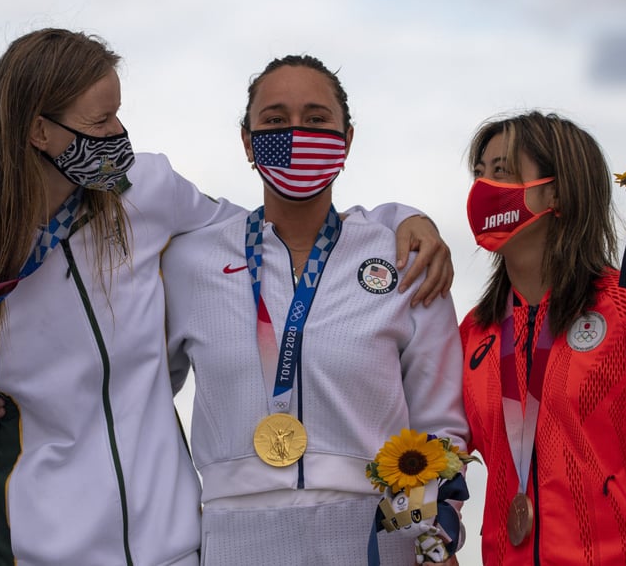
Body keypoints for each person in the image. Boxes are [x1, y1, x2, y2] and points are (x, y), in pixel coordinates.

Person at [0, 28, 452, 565]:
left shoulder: (146, 192)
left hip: (173, 545)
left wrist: (399, 219)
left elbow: (269, 230)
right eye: (102, 120)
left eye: (119, 113)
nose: (119, 135)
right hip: (28, 546)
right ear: (40, 132)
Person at [160, 55, 469, 565]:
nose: (297, 134)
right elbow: (139, 397)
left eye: (317, 120)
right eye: (276, 121)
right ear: (246, 141)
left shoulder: (403, 256)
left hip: (377, 534)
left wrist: (427, 540)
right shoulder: (192, 262)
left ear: (347, 139)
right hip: (235, 538)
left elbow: (440, 424)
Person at [459, 110, 626, 565]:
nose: (482, 188)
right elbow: (438, 454)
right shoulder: (474, 332)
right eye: (479, 173)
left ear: (557, 191)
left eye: (501, 172)